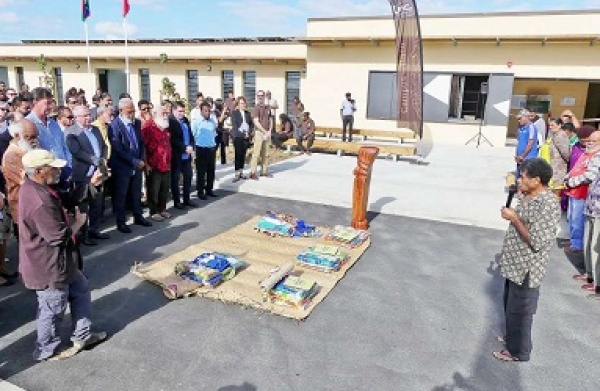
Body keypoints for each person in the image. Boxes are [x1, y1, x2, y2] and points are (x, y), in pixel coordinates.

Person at [18, 149, 107, 361]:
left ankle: (82, 336)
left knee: (80, 289)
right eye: (53, 167)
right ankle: (47, 350)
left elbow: (66, 199)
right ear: (39, 171)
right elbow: (57, 236)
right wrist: (78, 223)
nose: (58, 169)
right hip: (49, 266)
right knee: (53, 308)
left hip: (62, 263)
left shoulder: (39, 186)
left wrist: (90, 185)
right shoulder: (38, 200)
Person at [493, 158, 560, 362]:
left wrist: (514, 218)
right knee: (510, 304)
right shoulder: (530, 195)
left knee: (521, 311)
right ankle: (512, 338)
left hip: (527, 268)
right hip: (514, 263)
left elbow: (537, 241)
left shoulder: (548, 204)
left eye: (523, 177)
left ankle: (519, 351)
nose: (520, 180)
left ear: (537, 180)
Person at [66, 105, 109, 244]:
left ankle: (94, 230)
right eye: (84, 116)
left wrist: (103, 160)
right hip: (83, 175)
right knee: (83, 205)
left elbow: (104, 146)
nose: (88, 118)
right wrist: (96, 161)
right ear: (76, 117)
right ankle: (83, 235)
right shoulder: (71, 132)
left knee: (97, 203)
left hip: (98, 173)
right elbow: (77, 152)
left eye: (89, 115)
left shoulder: (95, 129)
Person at [108, 98, 152, 234]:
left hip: (137, 165)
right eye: (129, 111)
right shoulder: (114, 126)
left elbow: (140, 143)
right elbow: (118, 149)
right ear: (121, 111)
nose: (132, 114)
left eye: (133, 111)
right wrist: (134, 161)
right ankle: (121, 222)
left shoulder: (137, 123)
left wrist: (142, 160)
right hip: (122, 167)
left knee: (136, 193)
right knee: (121, 196)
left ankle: (138, 216)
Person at [563, 129, 600, 254]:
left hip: (582, 194)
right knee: (572, 218)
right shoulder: (586, 153)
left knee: (578, 220)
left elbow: (590, 176)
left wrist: (571, 182)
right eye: (589, 140)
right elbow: (575, 168)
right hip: (573, 192)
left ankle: (577, 245)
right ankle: (574, 240)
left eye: (593, 141)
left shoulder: (597, 156)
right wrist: (567, 178)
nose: (589, 143)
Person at [141, 105, 172, 221]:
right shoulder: (148, 127)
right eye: (162, 113)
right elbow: (143, 146)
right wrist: (145, 163)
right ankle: (154, 211)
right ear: (154, 114)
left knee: (164, 188)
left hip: (166, 163)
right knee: (154, 189)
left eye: (165, 113)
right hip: (153, 164)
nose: (165, 115)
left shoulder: (165, 126)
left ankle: (162, 209)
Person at [168, 101, 196, 209]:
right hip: (177, 155)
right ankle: (177, 201)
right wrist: (184, 147)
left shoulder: (185, 120)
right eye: (180, 111)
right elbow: (173, 139)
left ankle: (186, 199)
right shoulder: (171, 121)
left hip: (187, 155)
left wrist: (192, 146)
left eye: (183, 111)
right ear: (173, 110)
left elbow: (190, 135)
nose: (182, 113)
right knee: (175, 179)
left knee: (188, 177)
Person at [192, 101, 219, 199]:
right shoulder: (196, 122)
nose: (207, 113)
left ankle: (209, 190)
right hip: (201, 149)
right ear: (201, 111)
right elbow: (193, 135)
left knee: (211, 171)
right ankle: (200, 192)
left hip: (211, 149)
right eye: (205, 111)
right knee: (201, 172)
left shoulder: (212, 122)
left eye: (209, 111)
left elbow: (214, 134)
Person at [539, 117, 570, 196]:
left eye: (553, 125)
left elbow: (566, 155)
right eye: (549, 125)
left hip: (557, 170)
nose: (550, 127)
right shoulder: (554, 135)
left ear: (559, 125)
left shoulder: (560, 137)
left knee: (555, 195)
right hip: (550, 168)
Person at [249, 90, 272, 180]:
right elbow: (256, 122)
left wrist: (269, 130)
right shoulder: (256, 108)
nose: (260, 97)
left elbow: (270, 120)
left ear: (264, 96)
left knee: (266, 153)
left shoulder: (267, 108)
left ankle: (264, 171)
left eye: (262, 95)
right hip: (259, 132)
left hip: (267, 132)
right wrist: (264, 131)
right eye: (258, 95)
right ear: (256, 96)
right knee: (256, 153)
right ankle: (253, 172)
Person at [230, 97, 253, 182]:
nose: (243, 105)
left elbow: (251, 124)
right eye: (241, 103)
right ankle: (236, 173)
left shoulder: (247, 113)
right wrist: (243, 134)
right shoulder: (234, 113)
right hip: (238, 137)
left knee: (243, 155)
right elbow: (235, 126)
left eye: (244, 103)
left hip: (246, 137)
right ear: (238, 104)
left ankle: (241, 172)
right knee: (238, 155)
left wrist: (249, 132)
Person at [514, 109, 538, 178]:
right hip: (520, 159)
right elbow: (519, 142)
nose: (518, 120)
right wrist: (516, 155)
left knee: (526, 179)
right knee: (518, 179)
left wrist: (522, 156)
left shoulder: (531, 127)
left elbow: (530, 144)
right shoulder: (521, 128)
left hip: (528, 158)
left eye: (520, 118)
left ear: (526, 117)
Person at [213, 98, 230, 165]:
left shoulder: (221, 111)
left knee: (223, 146)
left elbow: (225, 117)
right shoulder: (215, 112)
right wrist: (223, 112)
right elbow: (219, 120)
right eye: (222, 104)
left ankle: (223, 161)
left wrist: (226, 115)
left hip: (223, 130)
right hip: (217, 131)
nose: (224, 105)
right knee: (216, 147)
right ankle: (212, 161)